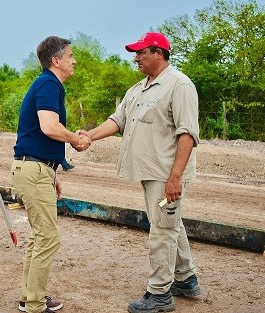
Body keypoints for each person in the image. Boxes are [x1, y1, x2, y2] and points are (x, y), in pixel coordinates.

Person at [78, 32, 201, 313]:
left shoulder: (179, 85)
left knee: (162, 230)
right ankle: (185, 278)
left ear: (158, 53)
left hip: (166, 173)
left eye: (141, 53)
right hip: (150, 170)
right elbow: (118, 120)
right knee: (169, 223)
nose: (136, 58)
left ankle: (159, 295)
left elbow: (187, 134)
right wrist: (89, 136)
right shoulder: (138, 88)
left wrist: (175, 178)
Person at [11, 35, 91, 313]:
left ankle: (29, 296)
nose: (74, 60)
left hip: (37, 167)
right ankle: (34, 303)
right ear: (56, 61)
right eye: (70, 56)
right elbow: (49, 127)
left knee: (40, 236)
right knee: (48, 237)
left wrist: (52, 170)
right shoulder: (48, 83)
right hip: (33, 169)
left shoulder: (48, 84)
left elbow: (40, 134)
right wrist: (75, 139)